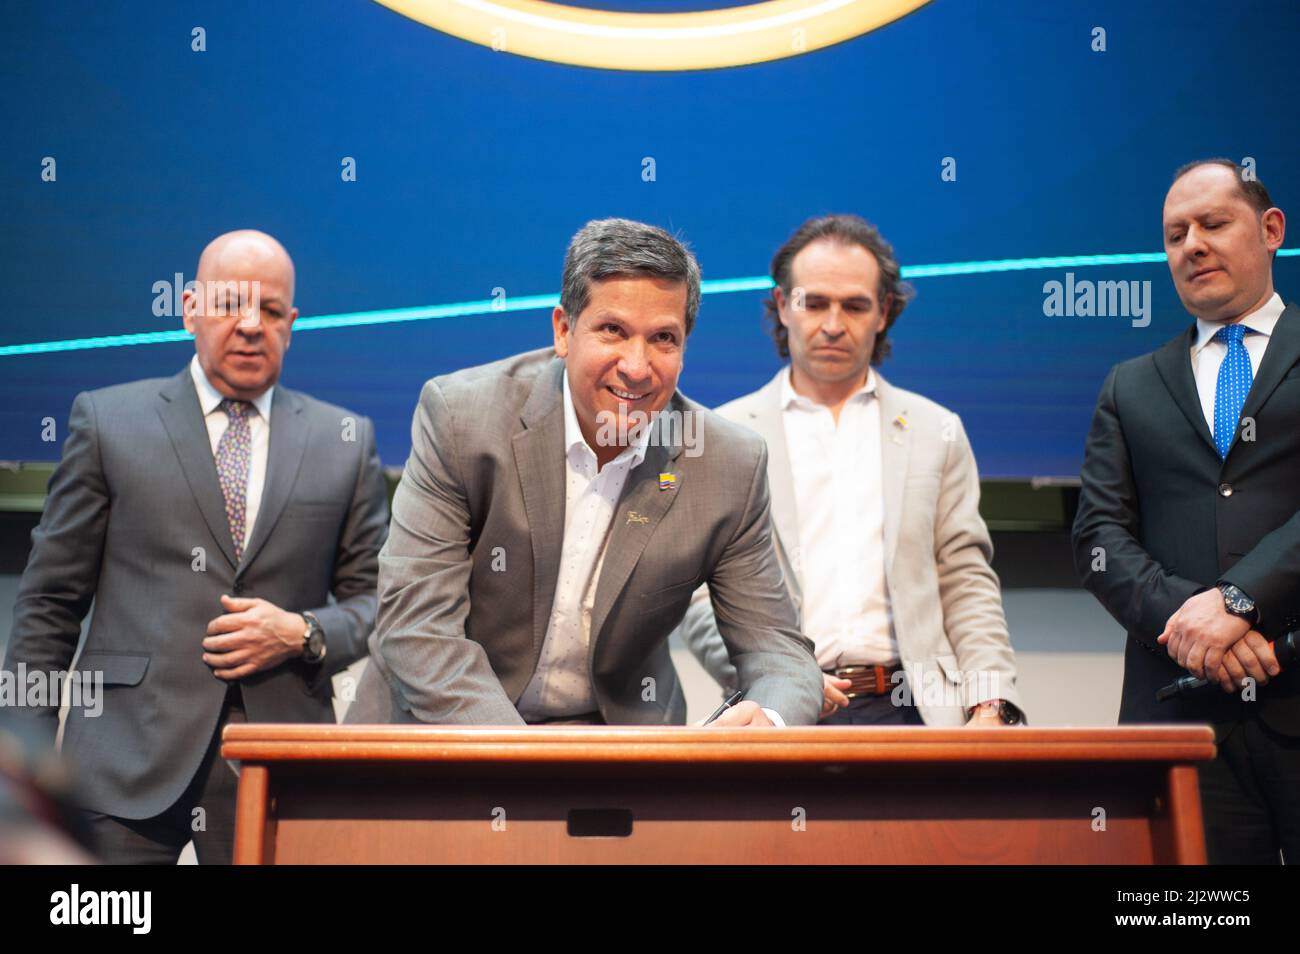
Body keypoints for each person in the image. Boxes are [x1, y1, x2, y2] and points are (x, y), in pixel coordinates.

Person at [2, 230, 389, 863]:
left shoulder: (344, 440)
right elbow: (49, 602)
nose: (249, 326)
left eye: (269, 311)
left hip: (276, 767)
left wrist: (303, 631)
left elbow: (380, 602)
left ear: (291, 323)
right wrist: (30, 760)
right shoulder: (107, 423)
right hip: (120, 767)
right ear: (188, 308)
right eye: (230, 303)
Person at [347, 218, 822, 727]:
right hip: (438, 734)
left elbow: (779, 653)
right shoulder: (463, 419)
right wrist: (532, 761)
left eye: (663, 338)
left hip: (614, 747)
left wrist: (768, 721)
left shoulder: (729, 463)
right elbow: (417, 628)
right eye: (613, 330)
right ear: (563, 331)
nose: (636, 367)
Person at [679, 214, 1024, 727]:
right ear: (782, 305)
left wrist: (991, 701)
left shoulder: (936, 430)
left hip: (916, 713)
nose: (834, 324)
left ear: (883, 311)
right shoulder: (722, 434)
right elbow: (698, 591)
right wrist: (784, 678)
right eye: (814, 303)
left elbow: (965, 578)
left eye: (855, 305)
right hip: (774, 709)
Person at [1073, 159, 1300, 863]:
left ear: (1269, 231)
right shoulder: (1130, 386)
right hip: (1177, 717)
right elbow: (1099, 537)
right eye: (1176, 234)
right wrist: (1197, 625)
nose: (1192, 245)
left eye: (1213, 223)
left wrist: (1240, 600)